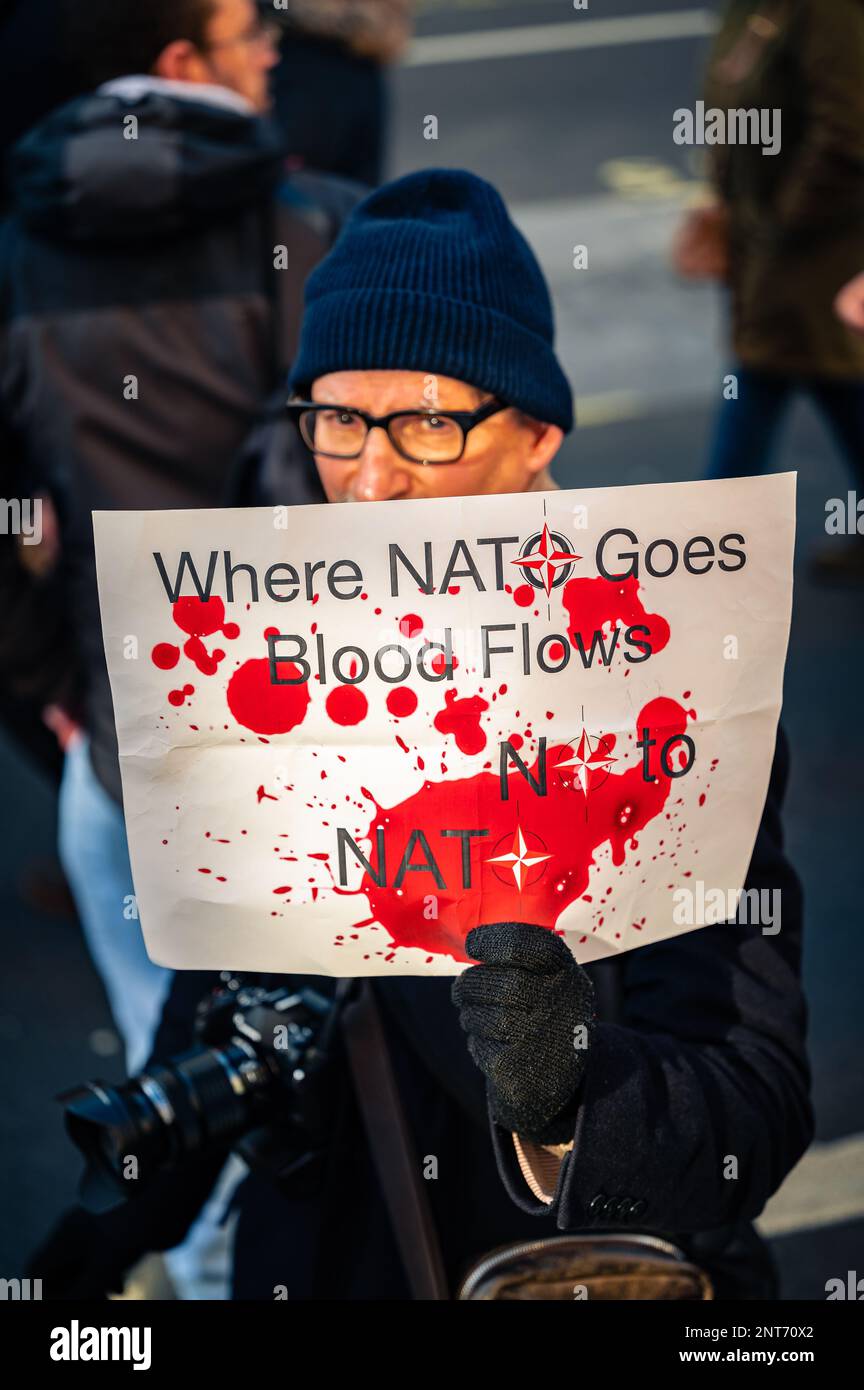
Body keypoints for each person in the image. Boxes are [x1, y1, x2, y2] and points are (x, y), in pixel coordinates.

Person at [29, 169, 813, 1302]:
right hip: (315, 1250)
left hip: (551, 1267)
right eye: (338, 418)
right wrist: (94, 1241)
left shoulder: (666, 687)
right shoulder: (279, 664)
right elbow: (224, 997)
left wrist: (568, 1090)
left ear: (538, 432)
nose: (371, 477)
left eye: (430, 421)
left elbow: (757, 1106)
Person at [0, 0, 360, 1076]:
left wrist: (48, 679)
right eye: (252, 29)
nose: (275, 47)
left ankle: (203, 1251)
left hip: (119, 735)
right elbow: (334, 489)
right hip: (321, 733)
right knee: (338, 1066)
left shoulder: (18, 249)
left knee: (178, 1074)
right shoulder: (310, 224)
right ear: (180, 60)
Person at [673, 0, 864, 582]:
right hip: (776, 249)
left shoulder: (828, 11)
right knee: (822, 378)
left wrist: (781, 219)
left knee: (767, 375)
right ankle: (709, 544)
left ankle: (707, 549)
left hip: (812, 254)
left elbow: (849, 131)